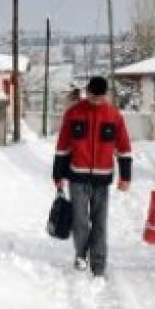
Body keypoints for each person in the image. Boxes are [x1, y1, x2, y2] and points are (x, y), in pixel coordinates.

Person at [53, 76, 132, 277]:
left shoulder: (114, 116)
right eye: (92, 96)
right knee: (80, 220)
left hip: (102, 179)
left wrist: (125, 176)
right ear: (87, 92)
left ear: (105, 95)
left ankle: (98, 263)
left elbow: (124, 148)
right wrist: (58, 174)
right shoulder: (73, 113)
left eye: (100, 97)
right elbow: (63, 145)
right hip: (77, 176)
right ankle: (81, 255)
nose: (96, 101)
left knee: (100, 223)